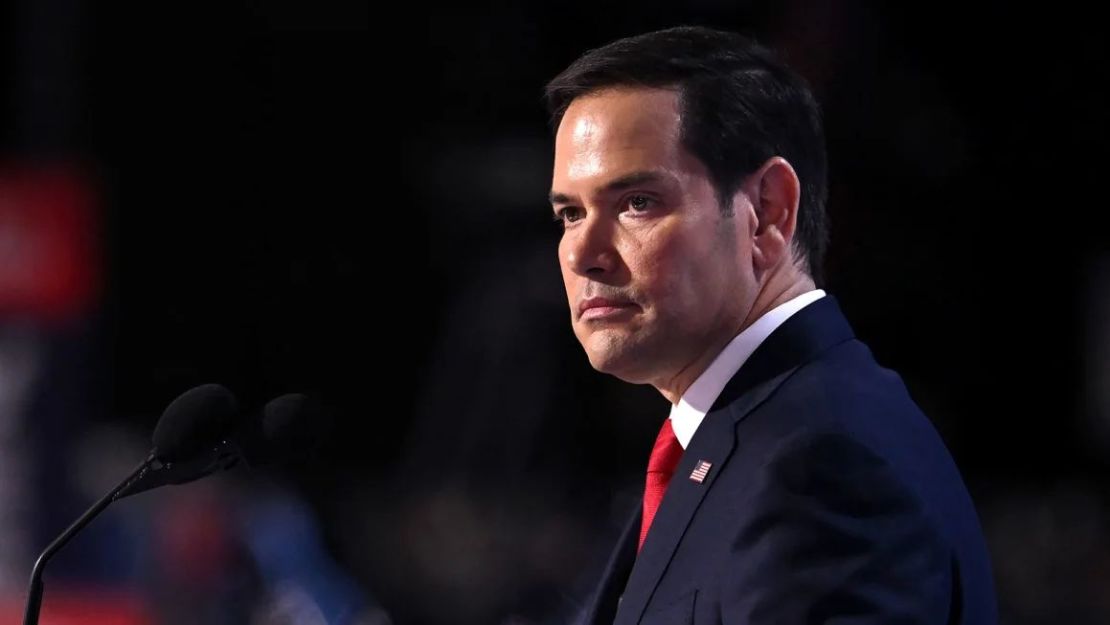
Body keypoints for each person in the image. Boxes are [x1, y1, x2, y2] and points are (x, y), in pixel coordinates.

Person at [544, 26, 997, 624]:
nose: (582, 253)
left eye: (637, 203)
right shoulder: (744, 438)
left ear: (768, 212)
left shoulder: (823, 460)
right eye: (571, 213)